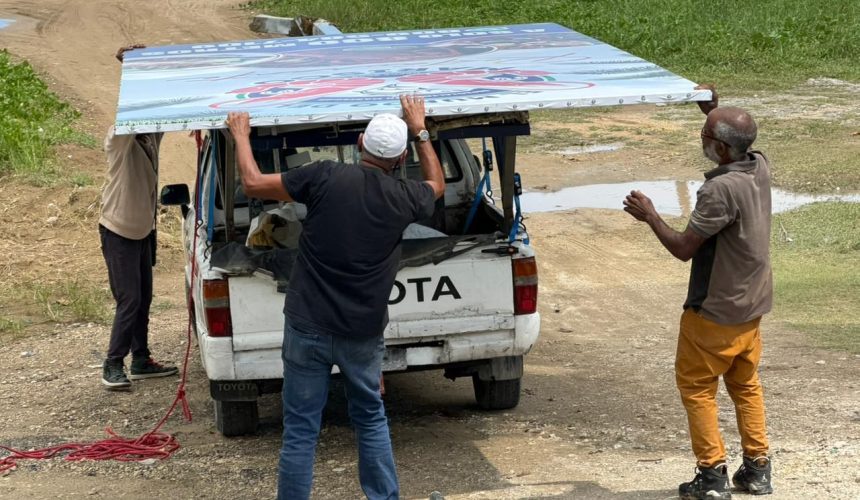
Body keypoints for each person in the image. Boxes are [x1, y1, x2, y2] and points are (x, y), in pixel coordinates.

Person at [225, 94, 445, 500]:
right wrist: (421, 129)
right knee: (371, 419)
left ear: (359, 143)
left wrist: (241, 135)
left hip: (307, 322)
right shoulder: (405, 198)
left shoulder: (324, 176)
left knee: (301, 428)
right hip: (361, 334)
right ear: (399, 160)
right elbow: (437, 183)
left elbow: (253, 184)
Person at [622, 86, 773, 499]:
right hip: (752, 305)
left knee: (697, 389)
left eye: (706, 134)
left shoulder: (718, 191)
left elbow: (684, 249)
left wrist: (650, 215)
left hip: (715, 312)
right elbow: (737, 139)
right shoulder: (758, 165)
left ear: (722, 149)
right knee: (745, 385)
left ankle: (711, 476)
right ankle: (758, 470)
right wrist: (713, 110)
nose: (701, 138)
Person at [99, 46, 178, 390]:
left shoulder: (150, 138)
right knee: (129, 298)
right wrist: (131, 71)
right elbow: (131, 109)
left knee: (143, 298)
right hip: (119, 229)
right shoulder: (119, 138)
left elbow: (163, 107)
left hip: (143, 228)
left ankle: (141, 358)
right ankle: (112, 364)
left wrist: (154, 71)